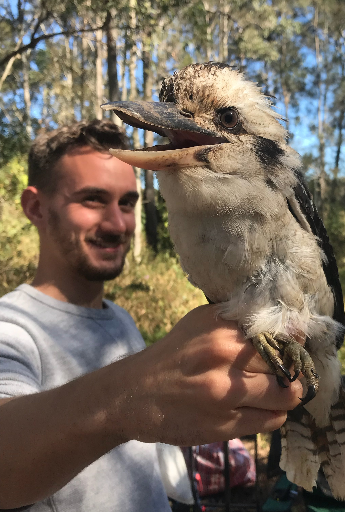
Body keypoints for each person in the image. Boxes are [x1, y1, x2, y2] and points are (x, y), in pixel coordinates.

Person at [0, 120, 302, 511]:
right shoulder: (12, 326)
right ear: (36, 207)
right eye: (92, 200)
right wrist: (133, 393)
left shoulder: (119, 319)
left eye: (127, 203)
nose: (116, 223)